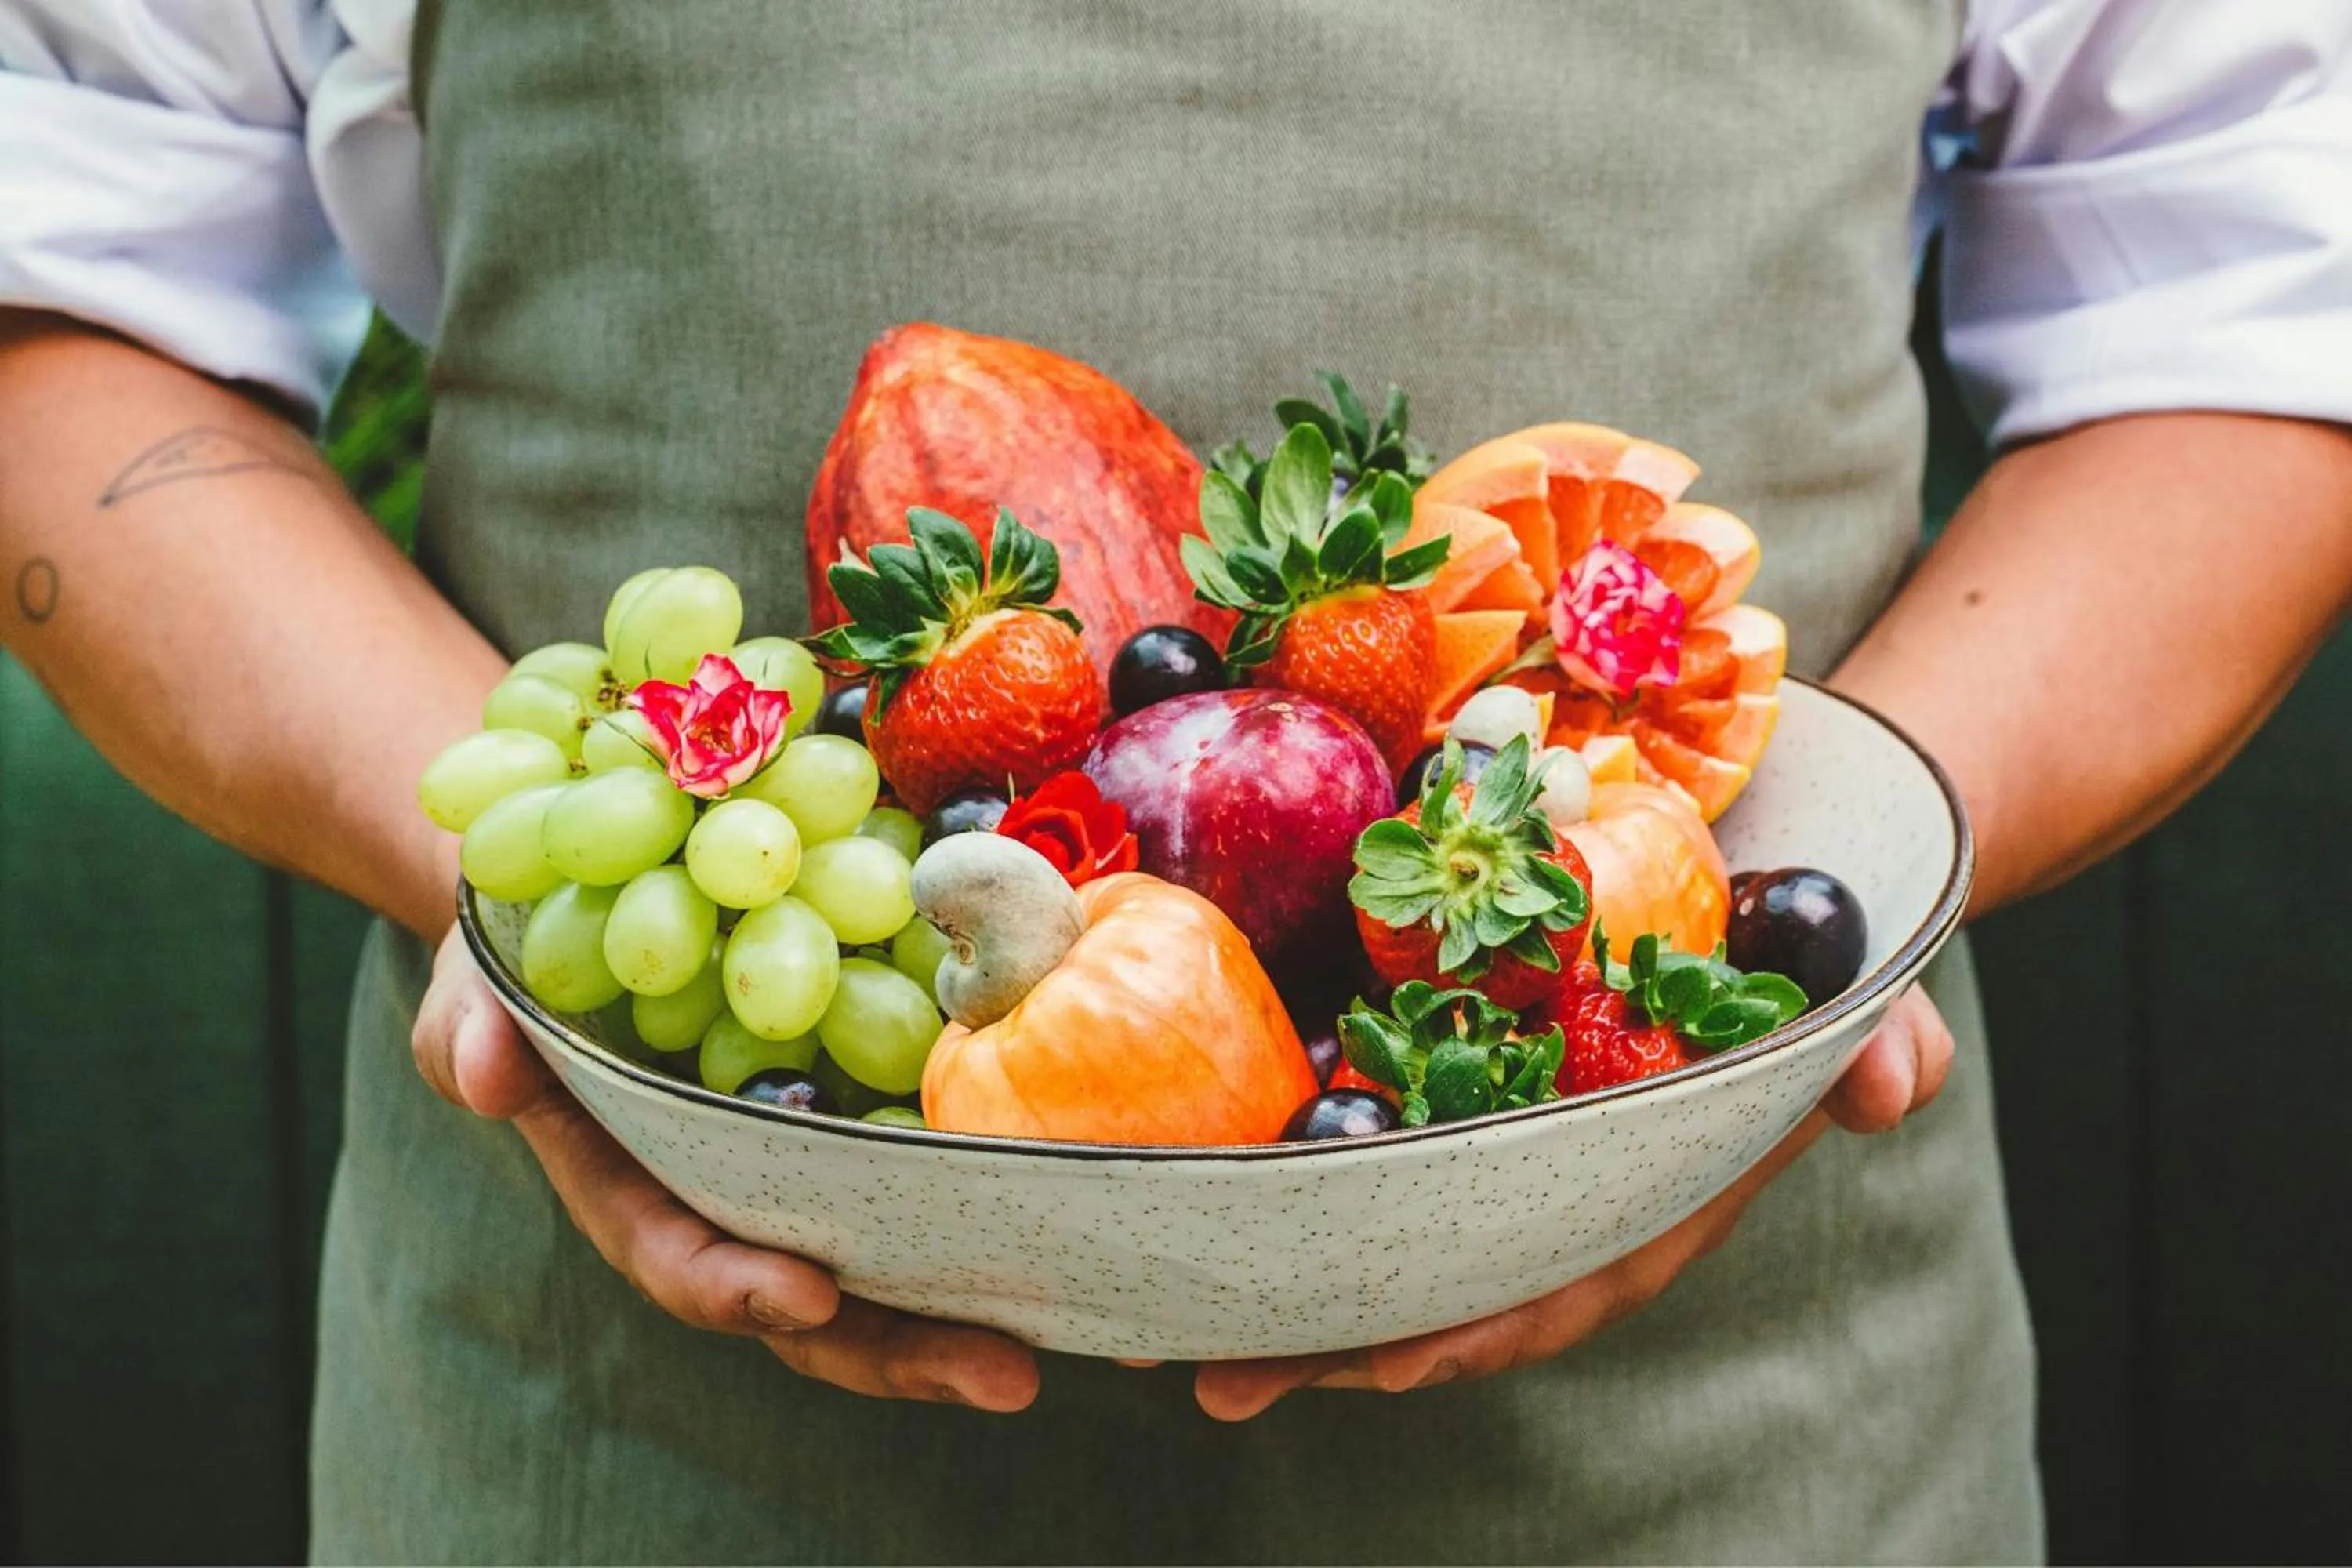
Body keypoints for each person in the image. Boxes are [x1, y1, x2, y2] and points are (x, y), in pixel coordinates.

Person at [2, 1, 2348, 1561]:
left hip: (1737, 1452)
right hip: (628, 1445)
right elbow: (69, 290)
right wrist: (516, 895)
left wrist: (1847, 883)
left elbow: (2241, 310)